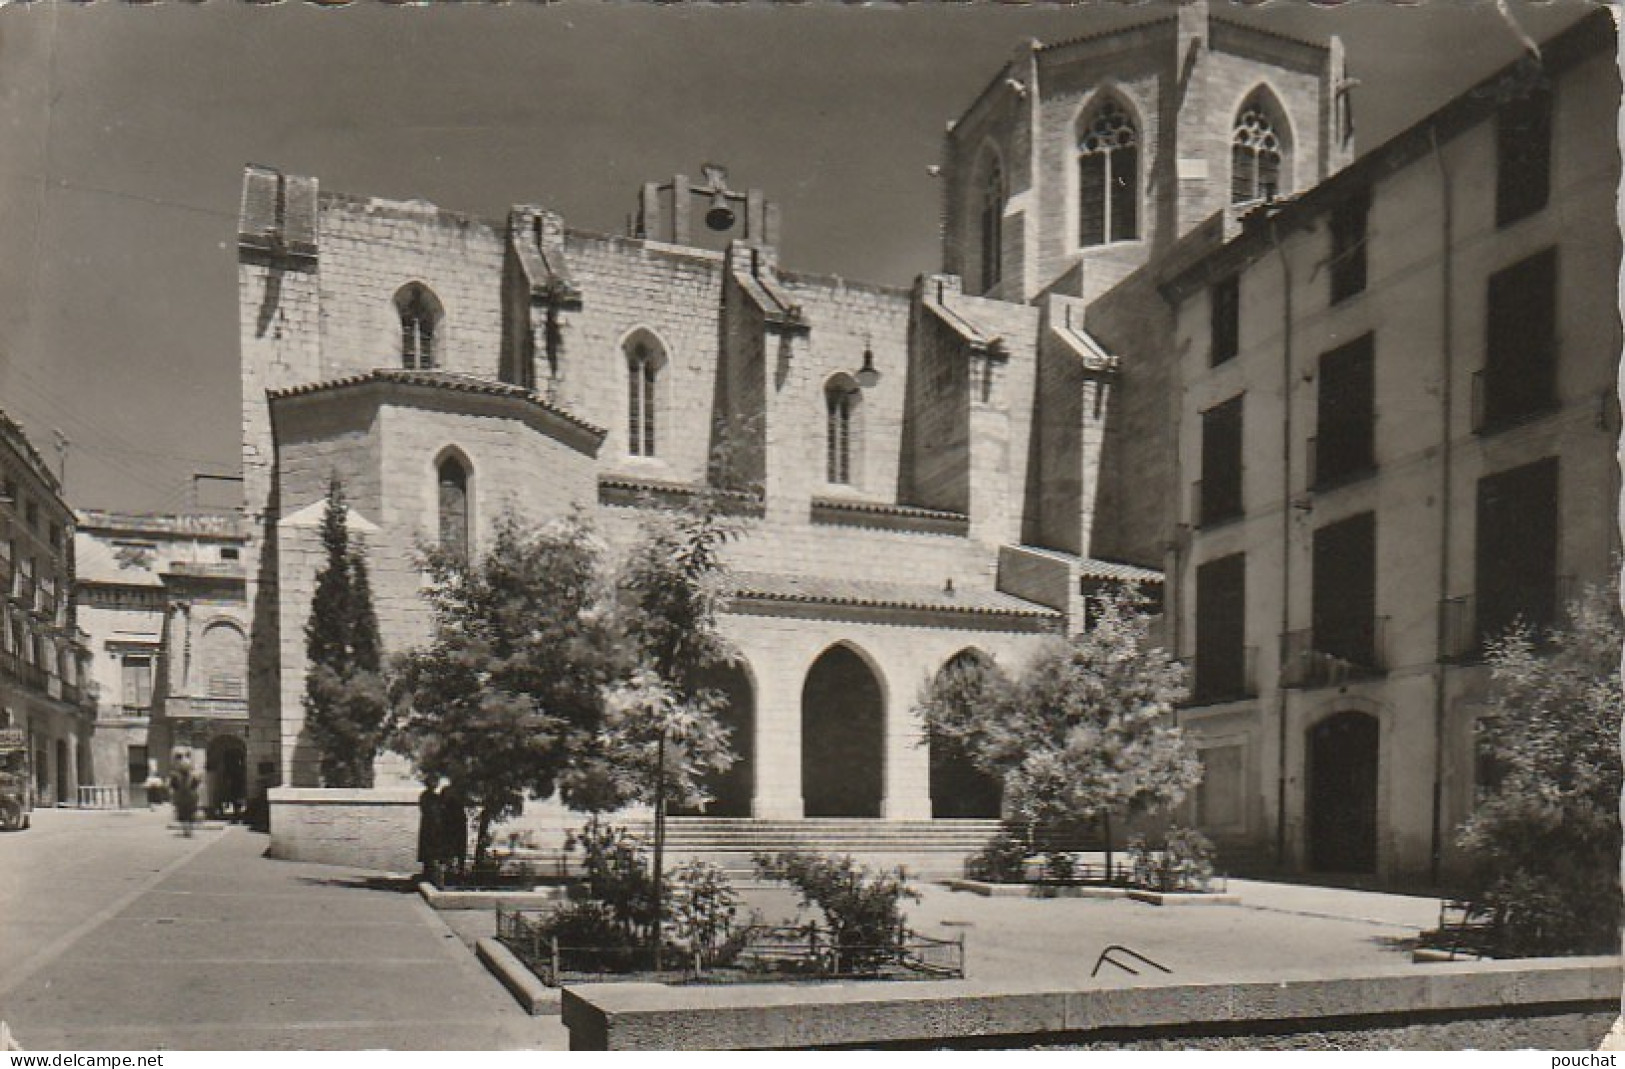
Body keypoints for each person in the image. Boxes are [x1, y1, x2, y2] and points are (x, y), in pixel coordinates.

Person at [169, 754, 200, 837]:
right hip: (190, 796)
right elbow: (196, 785)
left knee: (184, 813)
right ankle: (188, 830)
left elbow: (173, 786)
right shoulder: (193, 776)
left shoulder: (175, 776)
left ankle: (186, 830)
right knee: (189, 813)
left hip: (182, 796)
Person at [416, 781, 442, 881]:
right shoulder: (425, 796)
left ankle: (431, 873)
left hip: (433, 825)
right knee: (428, 849)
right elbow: (428, 810)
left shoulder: (434, 796)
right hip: (429, 825)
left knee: (432, 850)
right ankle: (428, 873)